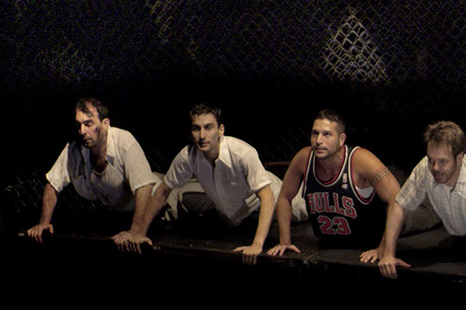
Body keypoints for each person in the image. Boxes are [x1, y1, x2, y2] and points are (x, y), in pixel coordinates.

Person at [116, 104, 304, 263]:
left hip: (273, 198)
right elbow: (161, 192)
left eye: (208, 127)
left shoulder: (242, 153)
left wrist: (257, 244)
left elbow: (267, 197)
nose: (202, 135)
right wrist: (140, 233)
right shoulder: (187, 156)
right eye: (196, 129)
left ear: (221, 130)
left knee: (306, 209)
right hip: (236, 216)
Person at [362, 121, 466, 287]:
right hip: (456, 237)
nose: (435, 167)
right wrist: (389, 253)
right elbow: (399, 205)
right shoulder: (425, 168)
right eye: (431, 160)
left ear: (459, 158)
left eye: (442, 162)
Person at [267, 109, 401, 255]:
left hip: (371, 242)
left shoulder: (360, 160)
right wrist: (284, 241)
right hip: (329, 244)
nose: (318, 140)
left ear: (341, 139)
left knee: (413, 211)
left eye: (327, 134)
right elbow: (284, 197)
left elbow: (397, 199)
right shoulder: (303, 159)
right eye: (315, 133)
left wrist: (384, 248)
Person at [26, 97, 157, 247]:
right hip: (122, 214)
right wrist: (44, 222)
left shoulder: (123, 140)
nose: (82, 131)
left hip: (158, 207)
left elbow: (145, 187)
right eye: (79, 125)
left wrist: (136, 232)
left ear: (105, 123)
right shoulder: (75, 150)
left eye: (88, 124)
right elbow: (52, 184)